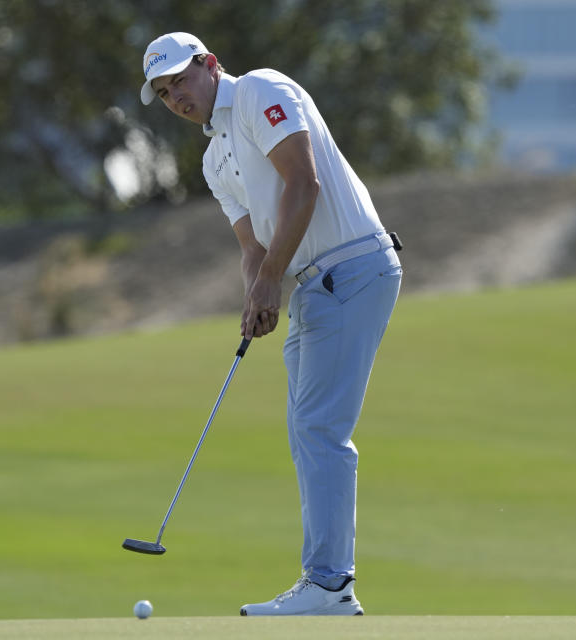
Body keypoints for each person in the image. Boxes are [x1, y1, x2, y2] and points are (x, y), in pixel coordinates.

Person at [140, 32, 402, 616]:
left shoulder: (260, 91)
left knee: (318, 429)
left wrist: (270, 280)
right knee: (306, 431)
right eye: (163, 93)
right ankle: (326, 581)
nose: (176, 97)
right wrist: (255, 291)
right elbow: (250, 245)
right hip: (313, 285)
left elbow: (302, 185)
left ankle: (330, 584)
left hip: (350, 267)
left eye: (181, 79)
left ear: (210, 64)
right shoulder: (212, 159)